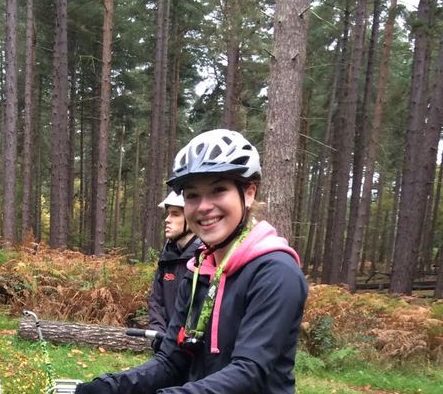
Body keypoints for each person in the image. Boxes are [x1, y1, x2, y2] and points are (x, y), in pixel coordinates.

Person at [76, 129, 308, 394]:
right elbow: (172, 361)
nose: (203, 207)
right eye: (192, 195)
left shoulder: (276, 272)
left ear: (249, 192)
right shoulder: (198, 271)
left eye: (218, 190)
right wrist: (109, 387)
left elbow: (249, 373)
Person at [147, 192, 202, 352]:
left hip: (193, 353)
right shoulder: (166, 257)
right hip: (165, 350)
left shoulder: (206, 258)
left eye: (175, 214)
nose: (167, 219)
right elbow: (156, 301)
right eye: (168, 214)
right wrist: (159, 335)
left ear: (192, 219)